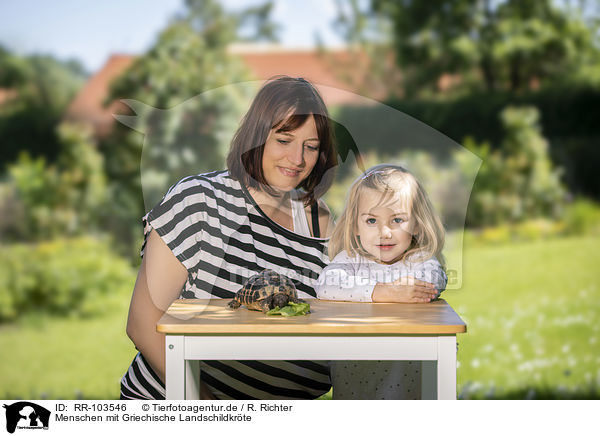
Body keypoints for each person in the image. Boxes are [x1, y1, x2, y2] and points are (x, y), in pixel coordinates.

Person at [120, 76, 338, 400]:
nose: (297, 159)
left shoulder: (322, 224)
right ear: (256, 135)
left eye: (311, 146)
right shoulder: (199, 201)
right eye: (283, 140)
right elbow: (143, 322)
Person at [315, 164, 447, 399]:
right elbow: (325, 284)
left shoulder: (420, 260)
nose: (384, 232)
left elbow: (433, 279)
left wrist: (411, 289)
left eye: (397, 220)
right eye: (371, 221)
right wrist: (384, 291)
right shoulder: (351, 260)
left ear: (415, 223)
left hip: (407, 375)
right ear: (355, 225)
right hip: (355, 374)